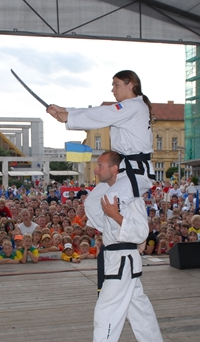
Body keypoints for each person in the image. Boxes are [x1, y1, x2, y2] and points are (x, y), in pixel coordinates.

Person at [63, 151, 165, 342]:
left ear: (115, 169)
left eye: (101, 165)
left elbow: (141, 232)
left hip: (122, 260)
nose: (96, 170)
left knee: (106, 312)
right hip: (117, 257)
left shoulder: (131, 198)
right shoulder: (110, 194)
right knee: (137, 304)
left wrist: (116, 216)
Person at [47, 70, 155, 233]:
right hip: (122, 170)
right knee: (93, 203)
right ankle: (114, 236)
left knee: (110, 201)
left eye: (116, 85)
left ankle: (132, 236)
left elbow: (103, 114)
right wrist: (65, 110)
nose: (113, 89)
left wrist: (69, 115)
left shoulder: (134, 106)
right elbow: (98, 112)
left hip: (136, 172)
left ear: (130, 85)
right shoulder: (128, 108)